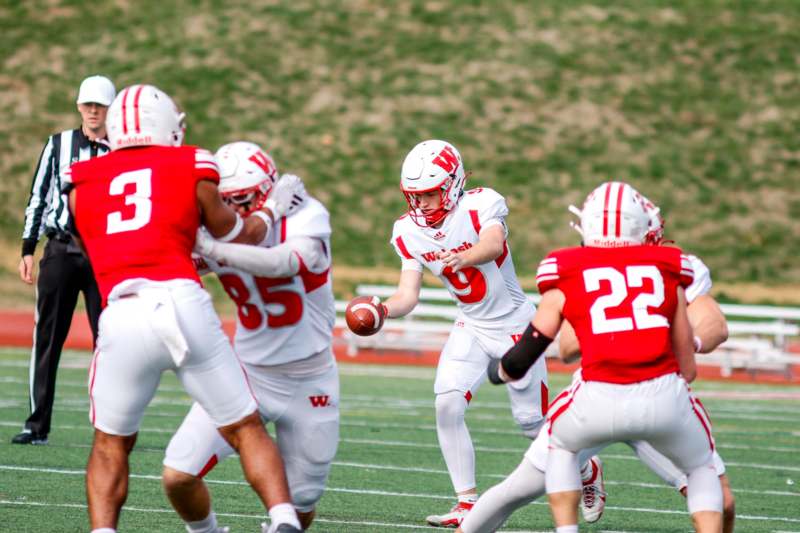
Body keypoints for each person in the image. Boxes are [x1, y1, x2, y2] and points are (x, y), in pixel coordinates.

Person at [64, 85, 304, 533]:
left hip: (124, 311)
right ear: (164, 126)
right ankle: (283, 518)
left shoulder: (81, 182)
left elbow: (92, 242)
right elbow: (238, 235)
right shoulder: (191, 163)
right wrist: (272, 208)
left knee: (110, 443)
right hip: (180, 302)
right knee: (245, 426)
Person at [458, 194, 735, 533]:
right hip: (611, 389)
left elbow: (715, 324)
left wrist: (672, 341)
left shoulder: (667, 264)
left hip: (646, 389)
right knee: (518, 488)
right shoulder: (649, 266)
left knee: (724, 502)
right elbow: (570, 346)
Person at [360, 140, 600, 528]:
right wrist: (383, 310)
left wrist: (465, 255)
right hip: (470, 324)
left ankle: (587, 467)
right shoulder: (406, 230)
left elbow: (493, 243)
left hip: (516, 325)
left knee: (533, 425)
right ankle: (466, 502)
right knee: (446, 404)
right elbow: (408, 294)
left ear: (453, 183)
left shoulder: (481, 203)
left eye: (429, 193)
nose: (421, 204)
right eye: (414, 196)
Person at [161, 141, 339, 532]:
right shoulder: (216, 228)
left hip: (310, 379)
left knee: (301, 501)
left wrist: (216, 250)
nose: (232, 213)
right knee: (178, 475)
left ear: (267, 190)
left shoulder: (306, 216)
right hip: (245, 375)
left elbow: (284, 263)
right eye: (224, 202)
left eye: (241, 200)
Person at [13, 75, 116, 445]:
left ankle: (110, 425)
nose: (92, 111)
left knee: (109, 339)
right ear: (78, 106)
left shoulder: (121, 149)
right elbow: (38, 197)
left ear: (110, 109)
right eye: (87, 104)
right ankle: (36, 424)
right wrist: (28, 247)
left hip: (104, 253)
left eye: (99, 105)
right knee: (48, 336)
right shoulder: (58, 144)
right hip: (60, 248)